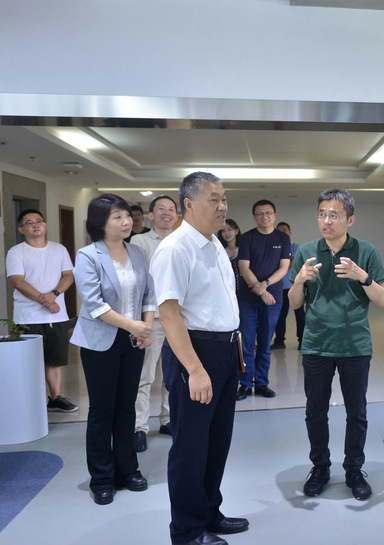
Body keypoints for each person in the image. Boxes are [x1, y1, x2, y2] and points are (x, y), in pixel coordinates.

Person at [150, 172, 249, 545]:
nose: (222, 206)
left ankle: (209, 513)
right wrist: (195, 369)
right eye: (214, 199)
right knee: (190, 448)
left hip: (225, 350)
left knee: (217, 441)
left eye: (224, 198)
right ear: (189, 204)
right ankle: (187, 531)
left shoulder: (215, 244)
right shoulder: (175, 249)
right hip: (195, 353)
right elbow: (169, 315)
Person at [289, 188, 384, 501]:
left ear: (350, 220)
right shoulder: (307, 251)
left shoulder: (367, 251)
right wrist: (299, 280)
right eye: (322, 214)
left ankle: (354, 469)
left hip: (354, 345)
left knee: (356, 412)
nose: (326, 221)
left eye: (334, 215)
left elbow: (382, 299)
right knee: (315, 411)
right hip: (316, 344)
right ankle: (320, 467)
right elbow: (294, 303)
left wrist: (362, 276)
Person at [70, 194, 155, 505]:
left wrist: (146, 328)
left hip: (134, 340)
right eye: (117, 217)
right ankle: (102, 478)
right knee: (102, 411)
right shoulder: (87, 255)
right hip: (100, 342)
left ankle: (128, 470)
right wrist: (134, 326)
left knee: (126, 407)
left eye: (127, 216)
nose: (126, 222)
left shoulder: (137, 251)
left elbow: (149, 293)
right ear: (100, 222)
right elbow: (94, 305)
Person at [6, 209, 77, 413]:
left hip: (57, 316)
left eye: (39, 221)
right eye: (29, 223)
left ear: (45, 226)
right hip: (27, 317)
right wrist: (45, 301)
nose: (35, 225)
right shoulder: (16, 252)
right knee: (29, 362)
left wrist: (54, 294)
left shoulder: (59, 249)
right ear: (21, 229)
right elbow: (18, 282)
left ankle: (55, 398)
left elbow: (69, 276)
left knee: (54, 361)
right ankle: (30, 401)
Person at [130, 195, 178, 452]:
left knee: (174, 374)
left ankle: (168, 419)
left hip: (179, 318)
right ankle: (139, 427)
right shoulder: (140, 241)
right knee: (145, 375)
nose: (167, 213)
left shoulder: (182, 240)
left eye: (171, 209)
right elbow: (141, 279)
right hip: (153, 318)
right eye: (161, 209)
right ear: (151, 215)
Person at [235, 200, 291, 400]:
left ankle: (261, 383)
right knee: (246, 344)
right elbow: (243, 268)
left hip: (273, 298)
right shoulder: (248, 238)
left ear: (274, 215)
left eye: (268, 213)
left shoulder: (283, 238)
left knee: (265, 343)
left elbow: (284, 268)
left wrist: (265, 285)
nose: (264, 217)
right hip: (247, 299)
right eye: (260, 213)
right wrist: (261, 291)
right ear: (254, 217)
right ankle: (244, 384)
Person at [271, 221, 305, 350]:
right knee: (280, 315)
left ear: (289, 232)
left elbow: (291, 264)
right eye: (279, 231)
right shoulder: (275, 248)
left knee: (300, 315)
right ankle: (279, 341)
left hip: (295, 287)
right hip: (280, 287)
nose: (282, 233)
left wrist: (280, 263)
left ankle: (302, 341)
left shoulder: (296, 247)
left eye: (284, 230)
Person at [218, 219, 242, 292]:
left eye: (229, 230)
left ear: (236, 231)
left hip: (244, 289)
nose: (227, 233)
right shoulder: (220, 252)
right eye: (223, 231)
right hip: (227, 289)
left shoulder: (243, 249)